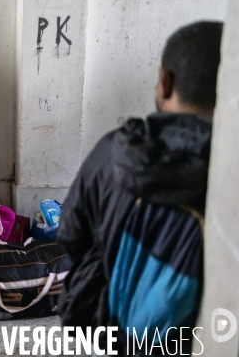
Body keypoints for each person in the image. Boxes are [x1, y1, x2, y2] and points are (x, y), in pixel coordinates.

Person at [57, 22, 222, 350]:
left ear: (164, 82)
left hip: (111, 326)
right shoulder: (226, 171)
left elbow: (71, 236)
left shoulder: (112, 154)